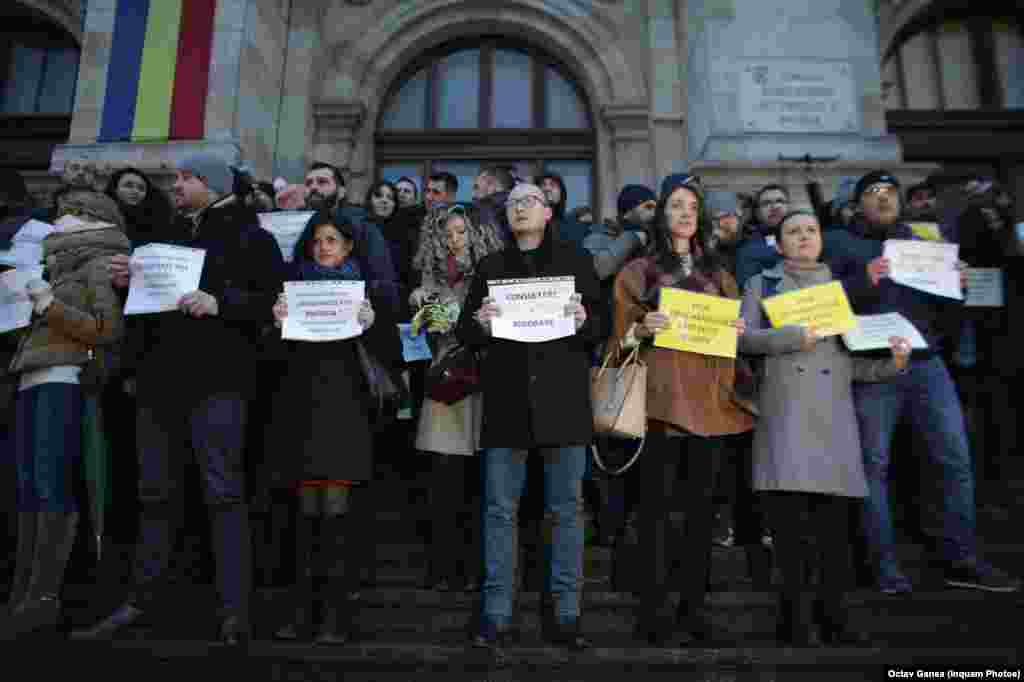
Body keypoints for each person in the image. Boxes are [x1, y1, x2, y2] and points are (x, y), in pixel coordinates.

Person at [71, 153, 286, 645]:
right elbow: (145, 314)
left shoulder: (253, 237)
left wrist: (221, 302)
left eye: (188, 178)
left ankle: (235, 611)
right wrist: (128, 285)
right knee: (154, 495)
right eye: (177, 178)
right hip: (158, 384)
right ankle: (142, 601)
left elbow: (275, 302)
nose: (177, 185)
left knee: (223, 494)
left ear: (214, 184)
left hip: (218, 382)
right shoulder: (163, 236)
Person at [823, 170, 1020, 595]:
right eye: (873, 192)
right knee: (874, 467)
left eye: (890, 192)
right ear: (858, 203)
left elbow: (947, 309)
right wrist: (861, 281)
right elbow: (820, 303)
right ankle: (883, 568)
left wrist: (958, 285)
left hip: (927, 364)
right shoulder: (839, 243)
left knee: (955, 461)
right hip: (874, 368)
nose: (883, 198)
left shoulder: (923, 244)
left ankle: (961, 560)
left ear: (900, 201)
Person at [739, 209, 911, 646]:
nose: (803, 237)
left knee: (835, 537)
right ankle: (795, 623)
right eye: (793, 231)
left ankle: (835, 620)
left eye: (811, 230)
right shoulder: (762, 283)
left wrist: (892, 365)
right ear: (779, 243)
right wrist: (792, 337)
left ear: (821, 239)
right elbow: (740, 339)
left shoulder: (840, 287)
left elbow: (849, 362)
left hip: (834, 423)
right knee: (791, 537)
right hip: (785, 418)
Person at [458, 183, 602, 657]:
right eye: (513, 203)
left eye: (530, 201)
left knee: (567, 510)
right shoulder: (490, 267)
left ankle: (567, 615)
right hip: (506, 403)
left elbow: (602, 326)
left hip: (564, 403)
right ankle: (496, 614)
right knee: (500, 511)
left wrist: (585, 320)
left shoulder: (576, 260)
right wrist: (479, 321)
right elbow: (465, 332)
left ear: (548, 212)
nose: (520, 208)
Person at [612, 172, 754, 647]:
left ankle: (694, 612)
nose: (686, 213)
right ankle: (652, 613)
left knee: (701, 516)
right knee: (654, 515)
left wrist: (736, 333)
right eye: (676, 204)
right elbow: (617, 340)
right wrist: (640, 328)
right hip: (659, 405)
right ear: (660, 214)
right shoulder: (638, 272)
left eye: (693, 206)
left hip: (710, 405)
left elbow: (734, 339)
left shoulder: (720, 275)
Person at [1, 191, 130, 639]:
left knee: (50, 485)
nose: (59, 220)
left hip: (64, 379)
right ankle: (22, 595)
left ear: (93, 220)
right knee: (28, 490)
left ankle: (43, 597)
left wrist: (47, 304)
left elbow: (106, 329)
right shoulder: (53, 266)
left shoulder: (98, 263)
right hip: (32, 377)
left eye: (70, 214)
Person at [268, 212, 398, 644]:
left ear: (348, 247)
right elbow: (273, 361)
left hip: (346, 412)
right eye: (318, 241)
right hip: (302, 411)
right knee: (306, 515)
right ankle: (302, 611)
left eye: (332, 240)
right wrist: (276, 323)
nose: (323, 247)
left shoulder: (367, 293)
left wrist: (371, 325)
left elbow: (390, 357)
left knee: (337, 514)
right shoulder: (291, 290)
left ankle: (336, 615)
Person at [411, 205, 502, 592]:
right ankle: (442, 565)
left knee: (479, 481)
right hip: (446, 378)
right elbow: (420, 334)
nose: (454, 240)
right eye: (447, 233)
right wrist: (422, 313)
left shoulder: (491, 274)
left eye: (462, 232)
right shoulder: (429, 278)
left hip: (483, 378)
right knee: (443, 476)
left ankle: (473, 567)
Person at [735, 184, 791, 289]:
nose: (774, 207)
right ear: (758, 212)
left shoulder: (809, 238)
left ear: (789, 207)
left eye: (780, 201)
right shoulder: (748, 250)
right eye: (766, 203)